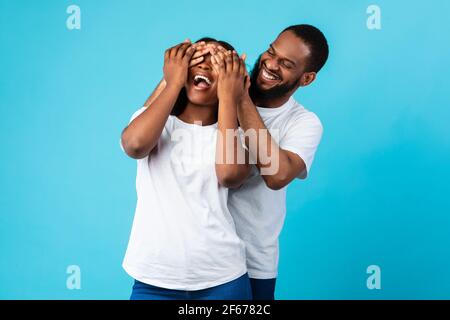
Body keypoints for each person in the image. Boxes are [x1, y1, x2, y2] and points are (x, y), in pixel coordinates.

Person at [120, 37, 252, 300]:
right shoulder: (156, 123)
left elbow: (229, 175)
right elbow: (134, 145)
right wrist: (173, 80)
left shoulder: (236, 136)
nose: (204, 65)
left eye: (216, 63)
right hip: (154, 279)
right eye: (196, 58)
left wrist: (230, 96)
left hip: (224, 279)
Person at [228, 24, 328, 300]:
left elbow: (276, 175)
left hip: (253, 264)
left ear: (306, 79)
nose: (270, 64)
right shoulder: (217, 97)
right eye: (270, 52)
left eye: (285, 64)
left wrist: (239, 97)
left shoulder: (304, 123)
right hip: (198, 257)